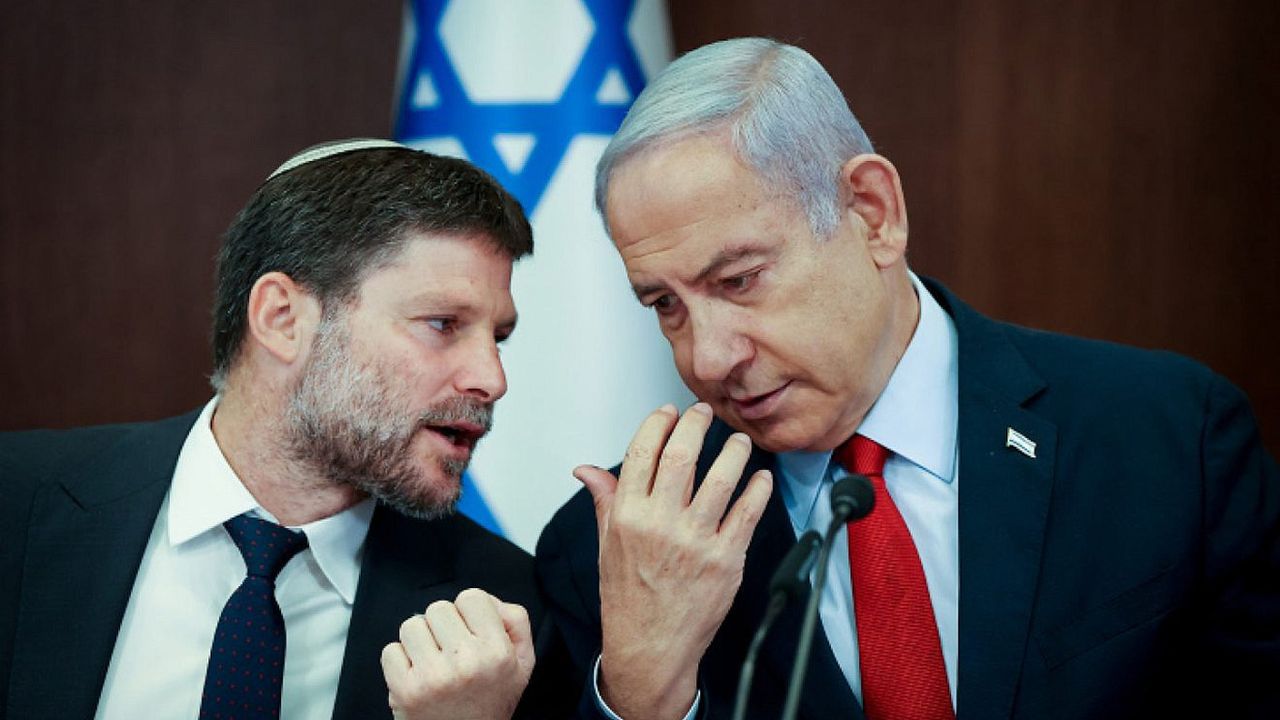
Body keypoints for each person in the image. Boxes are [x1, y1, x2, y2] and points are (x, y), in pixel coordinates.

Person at [535, 38, 1280, 719]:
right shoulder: (607, 553)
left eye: (739, 280)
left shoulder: (1169, 441)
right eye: (665, 305)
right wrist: (643, 689)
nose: (706, 359)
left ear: (872, 213)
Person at [0, 140, 551, 720]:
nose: (492, 378)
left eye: (499, 337)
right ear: (282, 319)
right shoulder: (17, 504)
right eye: (442, 324)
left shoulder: (508, 616)